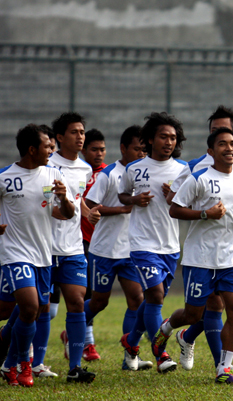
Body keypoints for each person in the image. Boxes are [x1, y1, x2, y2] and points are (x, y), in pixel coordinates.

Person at [0, 124, 75, 386]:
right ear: (31, 149)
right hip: (14, 254)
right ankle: (25, 366)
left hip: (43, 255)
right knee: (30, 308)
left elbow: (68, 214)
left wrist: (63, 199)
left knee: (8, 310)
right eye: (48, 146)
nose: (52, 150)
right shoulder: (2, 177)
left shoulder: (54, 174)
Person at [166, 105, 233, 373]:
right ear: (210, 151)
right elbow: (174, 208)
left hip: (231, 257)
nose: (229, 148)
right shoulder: (197, 176)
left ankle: (224, 367)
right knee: (194, 314)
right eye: (221, 143)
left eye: (232, 143)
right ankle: (168, 328)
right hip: (200, 257)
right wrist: (205, 213)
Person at [117, 112, 187, 373]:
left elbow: (188, 203)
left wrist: (176, 198)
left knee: (152, 298)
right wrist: (135, 199)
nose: (169, 142)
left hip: (170, 245)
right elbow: (123, 195)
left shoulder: (183, 170)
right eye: (163, 136)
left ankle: (131, 340)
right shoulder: (134, 168)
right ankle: (160, 353)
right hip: (142, 243)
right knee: (156, 296)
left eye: (173, 137)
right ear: (149, 139)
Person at [84, 125, 149, 370]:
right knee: (100, 302)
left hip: (131, 250)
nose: (141, 153)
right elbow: (91, 205)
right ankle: (75, 328)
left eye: (144, 149)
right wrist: (122, 209)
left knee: (136, 300)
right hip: (104, 251)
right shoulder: (109, 174)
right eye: (136, 149)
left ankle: (130, 357)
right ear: (123, 148)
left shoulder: (145, 173)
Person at [48, 112, 96, 383]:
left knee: (77, 302)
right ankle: (8, 338)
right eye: (74, 132)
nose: (80, 137)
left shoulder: (86, 169)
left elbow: (77, 201)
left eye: (82, 132)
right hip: (43, 248)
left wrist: (88, 212)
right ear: (59, 138)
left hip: (74, 247)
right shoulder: (47, 165)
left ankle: (75, 368)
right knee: (36, 308)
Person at [78, 128, 107, 362]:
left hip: (100, 243)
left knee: (92, 294)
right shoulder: (76, 173)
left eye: (102, 149)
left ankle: (87, 342)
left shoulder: (109, 174)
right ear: (83, 150)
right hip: (74, 241)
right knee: (49, 306)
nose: (99, 154)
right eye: (94, 149)